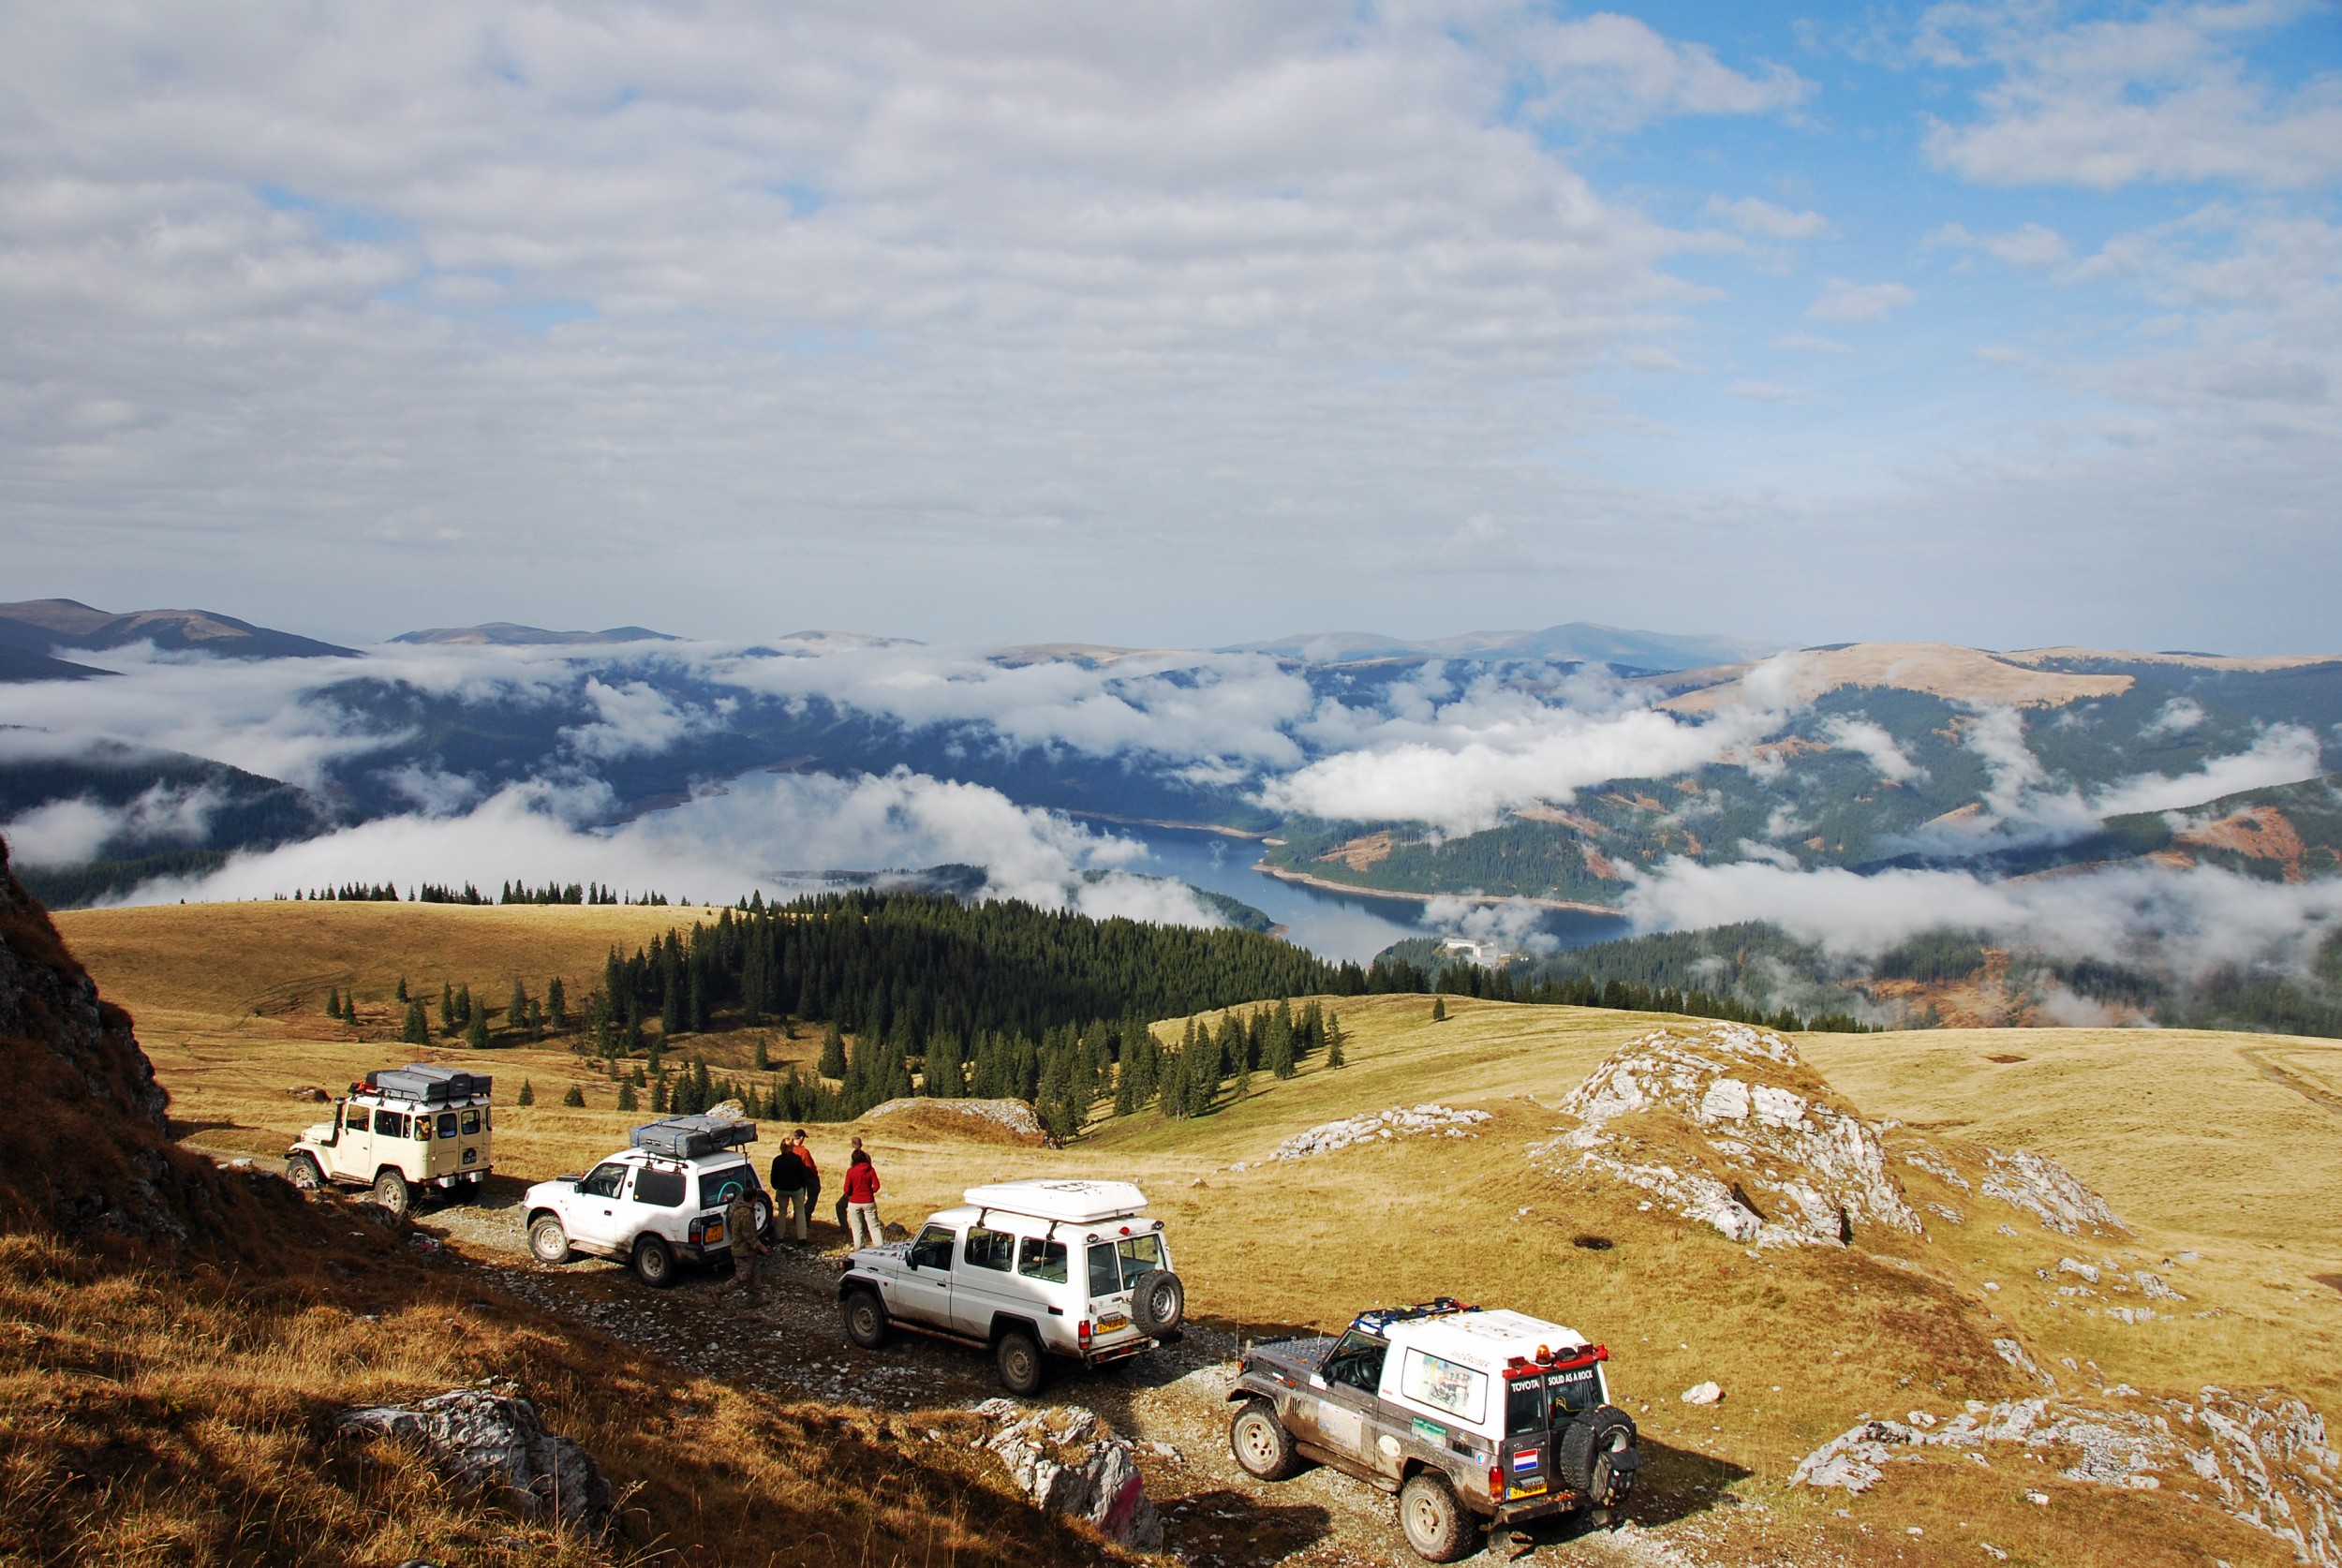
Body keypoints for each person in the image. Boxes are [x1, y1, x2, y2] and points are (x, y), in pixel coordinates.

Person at [724, 1186, 767, 1302]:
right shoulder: (746, 1214)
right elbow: (748, 1234)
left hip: (746, 1249)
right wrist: (760, 1246)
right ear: (753, 1199)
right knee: (741, 1278)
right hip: (742, 1250)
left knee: (755, 1274)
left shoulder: (741, 1210)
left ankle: (756, 1298)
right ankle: (719, 1291)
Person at [768, 1133, 811, 1243]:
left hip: (782, 1189)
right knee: (800, 1212)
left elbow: (773, 1176)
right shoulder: (797, 1160)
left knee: (782, 1212)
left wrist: (776, 1186)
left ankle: (780, 1236)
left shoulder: (777, 1160)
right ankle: (802, 1237)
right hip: (796, 1189)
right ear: (791, 1147)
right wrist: (802, 1188)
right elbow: (802, 1176)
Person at [841, 1147, 882, 1250]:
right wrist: (869, 1192)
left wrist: (852, 1194)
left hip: (854, 1202)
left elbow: (846, 1189)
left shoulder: (851, 1171)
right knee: (874, 1227)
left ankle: (859, 1250)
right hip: (868, 1201)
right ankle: (881, 1249)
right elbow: (877, 1186)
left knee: (857, 1229)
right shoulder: (870, 1169)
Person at [793, 1130, 823, 1236]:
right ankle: (805, 1218)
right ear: (801, 1138)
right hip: (806, 1178)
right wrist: (815, 1173)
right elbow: (810, 1167)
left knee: (798, 1200)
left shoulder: (789, 1149)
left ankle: (796, 1219)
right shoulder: (804, 1152)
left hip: (793, 1179)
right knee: (813, 1195)